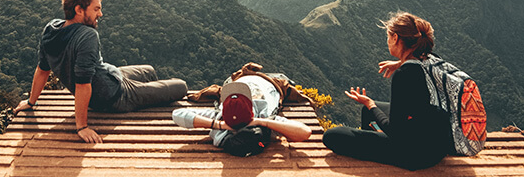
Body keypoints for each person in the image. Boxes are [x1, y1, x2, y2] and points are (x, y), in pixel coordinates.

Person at [14, 0, 188, 143]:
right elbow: (82, 83)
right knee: (181, 86)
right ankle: (148, 94)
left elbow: (43, 69)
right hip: (114, 96)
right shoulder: (87, 35)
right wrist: (82, 127)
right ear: (79, 10)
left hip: (110, 76)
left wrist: (31, 101)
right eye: (96, 9)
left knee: (148, 70)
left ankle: (150, 92)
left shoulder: (51, 29)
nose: (100, 14)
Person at [322, 11, 453, 170]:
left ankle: (379, 151)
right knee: (368, 111)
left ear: (396, 38)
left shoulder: (404, 75)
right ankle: (376, 145)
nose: (388, 41)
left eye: (388, 37)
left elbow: (395, 132)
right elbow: (418, 63)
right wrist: (400, 62)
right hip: (438, 145)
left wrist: (370, 103)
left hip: (417, 155)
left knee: (332, 136)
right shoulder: (430, 59)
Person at [172, 73, 312, 150]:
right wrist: (261, 121)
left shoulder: (220, 117)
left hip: (237, 79)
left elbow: (177, 114)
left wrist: (219, 125)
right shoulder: (263, 116)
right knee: (284, 78)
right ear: (251, 107)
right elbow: (305, 132)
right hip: (270, 81)